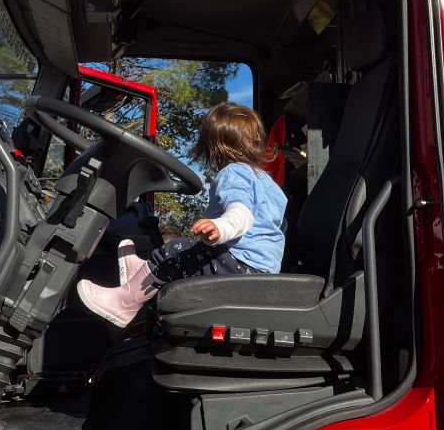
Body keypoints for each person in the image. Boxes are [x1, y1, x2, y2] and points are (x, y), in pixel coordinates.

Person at [76, 102, 288, 328]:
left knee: (175, 250)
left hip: (240, 267)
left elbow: (242, 213)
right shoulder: (270, 184)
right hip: (261, 273)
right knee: (186, 253)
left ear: (213, 148)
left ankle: (123, 303)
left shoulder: (233, 173)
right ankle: (140, 274)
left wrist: (221, 228)